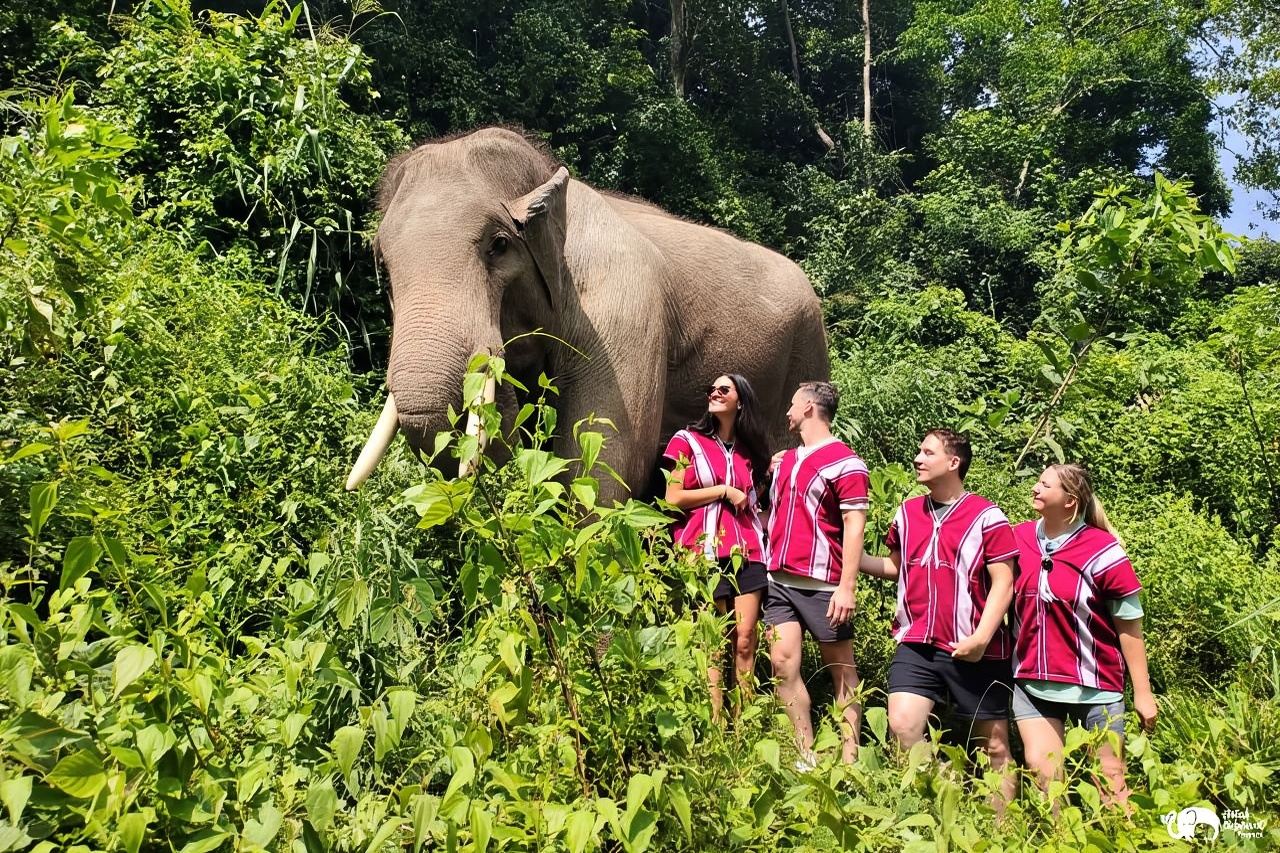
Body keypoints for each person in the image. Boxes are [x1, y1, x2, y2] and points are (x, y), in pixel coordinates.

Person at [858, 429, 1018, 806]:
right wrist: (849, 558)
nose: (918, 458)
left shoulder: (987, 516)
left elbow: (1004, 582)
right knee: (901, 726)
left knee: (994, 745)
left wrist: (980, 638)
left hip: (974, 648)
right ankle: (950, 800)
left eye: (927, 452)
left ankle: (1003, 829)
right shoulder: (908, 512)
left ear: (953, 462)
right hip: (917, 641)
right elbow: (896, 566)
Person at [1009, 463, 1156, 807]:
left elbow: (1130, 625)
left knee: (1109, 779)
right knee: (1045, 774)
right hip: (1032, 682)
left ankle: (1122, 839)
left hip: (1096, 685)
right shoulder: (1018, 539)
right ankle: (1059, 840)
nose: (1035, 488)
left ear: (1070, 501)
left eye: (1044, 485)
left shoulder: (1103, 550)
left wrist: (1143, 694)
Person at [764, 381, 868, 765]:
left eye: (792, 404)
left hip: (825, 586)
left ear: (808, 407)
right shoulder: (785, 460)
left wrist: (847, 587)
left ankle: (849, 757)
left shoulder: (847, 463)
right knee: (782, 665)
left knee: (841, 671)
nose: (788, 411)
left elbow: (855, 525)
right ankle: (804, 752)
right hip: (780, 583)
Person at [663, 373, 772, 717]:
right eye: (710, 389)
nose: (714, 394)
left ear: (741, 400)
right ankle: (713, 727)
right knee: (711, 644)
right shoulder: (686, 441)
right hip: (701, 553)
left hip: (749, 552)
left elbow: (758, 504)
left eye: (724, 390)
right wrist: (723, 490)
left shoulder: (749, 451)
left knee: (744, 639)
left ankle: (743, 729)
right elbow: (673, 497)